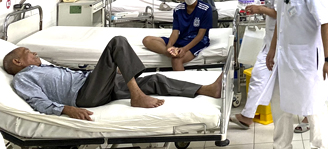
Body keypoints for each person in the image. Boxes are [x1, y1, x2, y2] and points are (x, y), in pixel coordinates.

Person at [4, 36, 222, 120]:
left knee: (154, 79)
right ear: (17, 62)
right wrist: (67, 110)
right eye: (29, 53)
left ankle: (206, 89)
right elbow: (38, 102)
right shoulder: (23, 78)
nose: (35, 53)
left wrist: (112, 72)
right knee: (117, 42)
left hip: (94, 85)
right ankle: (137, 95)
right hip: (84, 95)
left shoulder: (43, 67)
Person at [260, 0, 328, 149]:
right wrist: (272, 49)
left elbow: (326, 23)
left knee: (313, 106)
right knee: (280, 105)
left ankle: (319, 146)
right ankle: (281, 145)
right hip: (283, 57)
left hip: (306, 58)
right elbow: (281, 18)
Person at [231, 0, 313, 133]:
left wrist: (260, 10)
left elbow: (280, 13)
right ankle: (248, 116)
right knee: (263, 77)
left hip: (284, 41)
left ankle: (309, 116)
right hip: (273, 39)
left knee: (287, 79)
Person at [142, 0, 212, 71]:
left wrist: (184, 49)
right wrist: (169, 47)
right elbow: (175, 31)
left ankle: (182, 81)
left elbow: (200, 35)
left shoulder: (206, 9)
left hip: (198, 41)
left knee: (176, 60)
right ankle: (171, 52)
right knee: (147, 40)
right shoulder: (178, 9)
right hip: (181, 39)